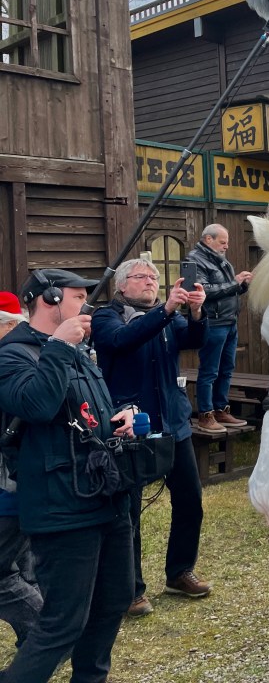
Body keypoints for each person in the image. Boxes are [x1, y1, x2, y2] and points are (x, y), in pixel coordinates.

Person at [0, 269, 136, 682]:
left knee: (114, 600)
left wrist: (120, 421)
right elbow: (36, 406)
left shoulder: (77, 351)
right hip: (60, 507)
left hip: (105, 496)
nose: (87, 307)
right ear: (50, 299)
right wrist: (59, 346)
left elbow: (86, 416)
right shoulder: (12, 354)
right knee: (61, 625)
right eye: (79, 297)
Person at [91, 258, 212, 617]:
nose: (151, 282)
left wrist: (195, 312)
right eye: (142, 276)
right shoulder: (105, 316)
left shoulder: (167, 316)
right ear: (123, 285)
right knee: (129, 514)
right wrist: (166, 309)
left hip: (173, 423)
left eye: (155, 277)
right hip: (129, 427)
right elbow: (121, 341)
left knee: (190, 501)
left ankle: (179, 572)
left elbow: (194, 340)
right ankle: (131, 590)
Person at [0, 293, 42, 648]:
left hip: (7, 488)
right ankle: (38, 640)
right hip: (20, 485)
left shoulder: (12, 360)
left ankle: (46, 635)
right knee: (27, 568)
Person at [187, 224, 253, 435]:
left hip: (229, 321)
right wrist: (234, 283)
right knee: (210, 371)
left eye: (227, 242)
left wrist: (242, 285)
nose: (226, 246)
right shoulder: (194, 260)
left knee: (226, 369)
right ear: (208, 240)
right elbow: (201, 291)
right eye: (222, 242)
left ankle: (220, 410)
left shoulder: (220, 259)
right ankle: (205, 416)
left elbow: (226, 291)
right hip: (213, 323)